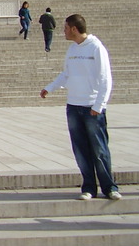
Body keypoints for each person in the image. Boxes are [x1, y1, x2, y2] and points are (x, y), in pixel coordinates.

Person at [40, 15, 121, 201]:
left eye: (66, 28)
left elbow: (105, 78)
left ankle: (109, 187)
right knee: (81, 150)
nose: (64, 31)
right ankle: (89, 188)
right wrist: (50, 87)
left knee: (99, 150)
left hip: (92, 107)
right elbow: (67, 74)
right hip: (73, 106)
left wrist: (99, 104)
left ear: (74, 29)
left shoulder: (96, 48)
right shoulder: (72, 49)